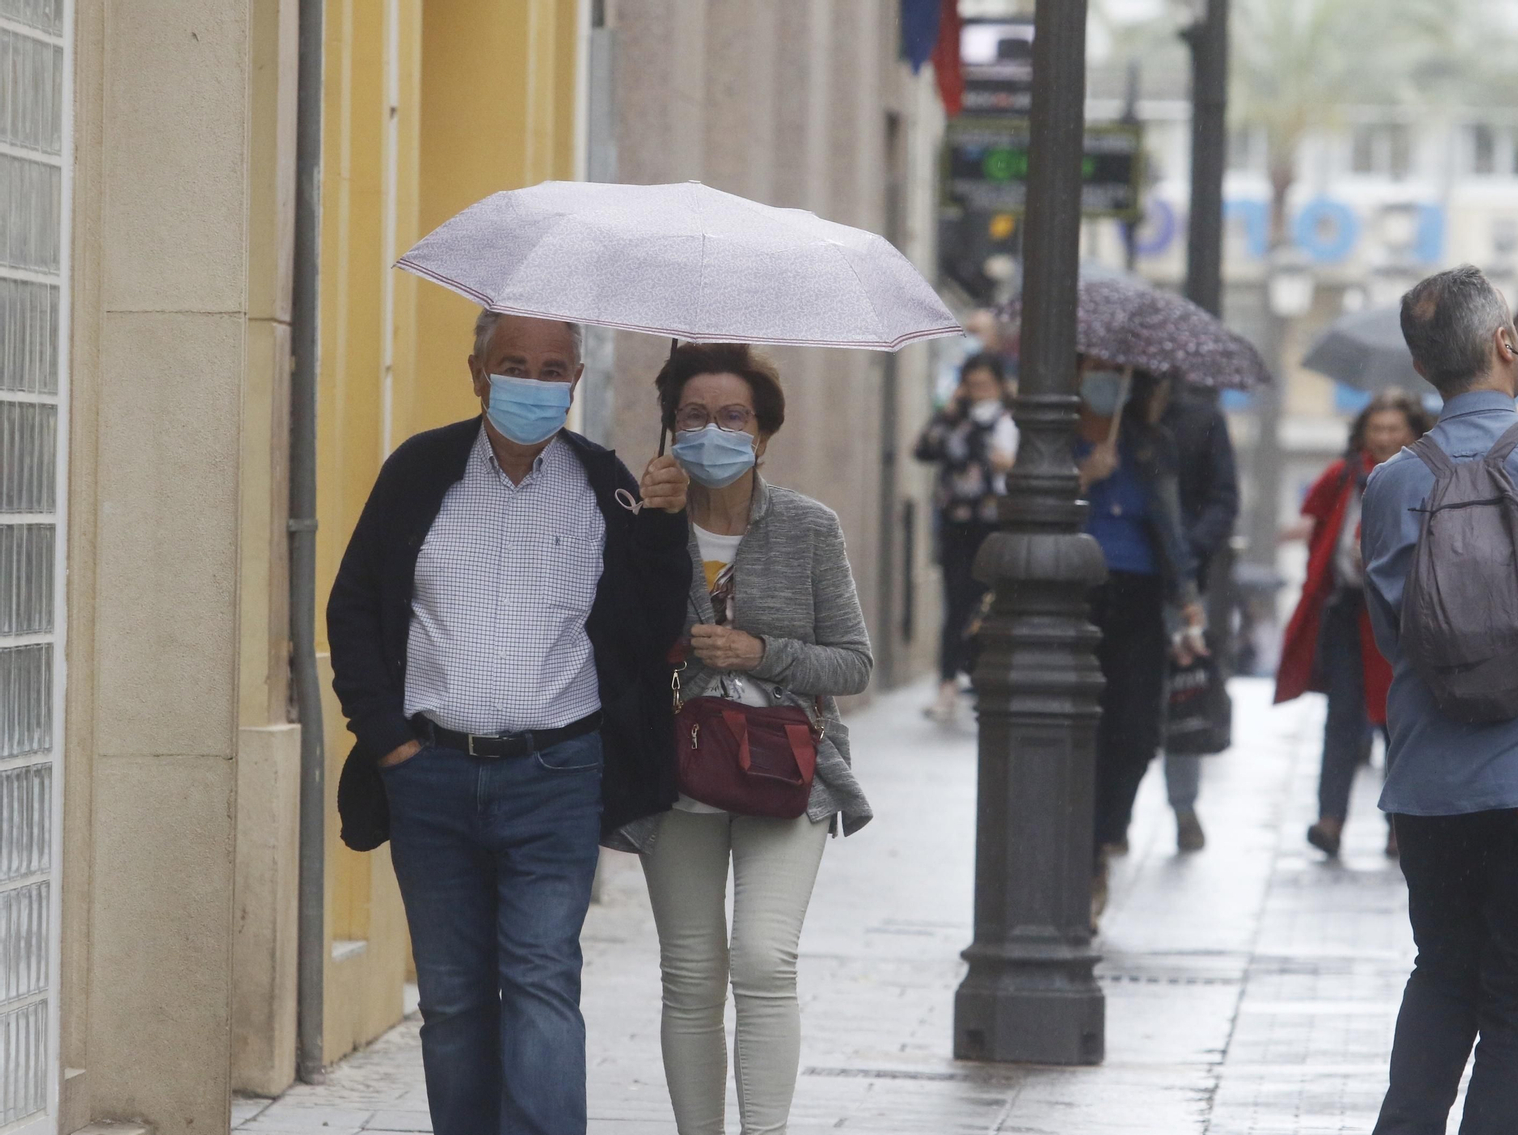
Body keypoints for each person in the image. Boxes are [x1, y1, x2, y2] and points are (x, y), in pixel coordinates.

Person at [325, 312, 691, 1135]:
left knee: (543, 984)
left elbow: (644, 631)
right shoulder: (420, 470)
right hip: (430, 775)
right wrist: (390, 740)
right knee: (452, 999)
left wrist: (664, 526)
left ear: (577, 379)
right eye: (515, 363)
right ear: (477, 371)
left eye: (553, 366)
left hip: (556, 774)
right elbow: (353, 606)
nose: (535, 380)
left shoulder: (608, 483)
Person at [1364, 266, 1518, 1134]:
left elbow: (1399, 637)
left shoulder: (1391, 482)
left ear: (1426, 370)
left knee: (1442, 977)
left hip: (1432, 788)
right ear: (1507, 344)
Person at [618, 343, 874, 1135]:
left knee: (765, 960)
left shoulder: (808, 526)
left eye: (733, 417)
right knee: (691, 976)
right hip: (678, 768)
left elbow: (855, 661)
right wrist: (650, 532)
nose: (712, 431)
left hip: (783, 767)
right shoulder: (639, 522)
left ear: (762, 433)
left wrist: (766, 653)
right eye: (693, 416)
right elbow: (618, 641)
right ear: (669, 426)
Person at [1275, 389, 1431, 858]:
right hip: (1347, 611)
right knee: (1341, 719)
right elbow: (1318, 529)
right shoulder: (1344, 477)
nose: (1383, 438)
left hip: (1405, 618)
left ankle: (1399, 825)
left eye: (1393, 430)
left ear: (1413, 433)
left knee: (1400, 724)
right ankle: (1330, 819)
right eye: (1376, 429)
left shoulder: (1426, 477)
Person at [1077, 361, 1206, 919]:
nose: (1107, 381)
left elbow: (1170, 521)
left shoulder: (1152, 442)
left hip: (1138, 594)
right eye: (1096, 370)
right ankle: (1080, 856)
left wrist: (1187, 594)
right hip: (1073, 592)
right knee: (1081, 729)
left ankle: (1106, 834)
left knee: (1135, 733)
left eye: (1117, 373)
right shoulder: (1054, 433)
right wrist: (1083, 477)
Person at [913, 352, 1018, 722]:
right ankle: (947, 685)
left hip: (997, 526)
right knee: (956, 604)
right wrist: (952, 407)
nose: (978, 392)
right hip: (957, 526)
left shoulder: (1011, 418)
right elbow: (923, 448)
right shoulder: (956, 420)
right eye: (972, 385)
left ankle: (985, 677)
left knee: (992, 605)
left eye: (984, 384)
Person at [1160, 382, 1240, 853]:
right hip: (1122, 574)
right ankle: (1114, 817)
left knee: (1184, 700)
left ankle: (1183, 806)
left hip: (1186, 583)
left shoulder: (1201, 419)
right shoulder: (1114, 420)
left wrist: (1187, 551)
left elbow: (1224, 499)